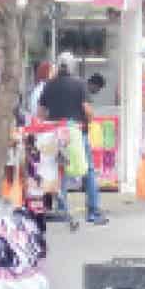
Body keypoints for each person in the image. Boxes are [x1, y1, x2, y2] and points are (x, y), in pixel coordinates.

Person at [37, 51, 108, 226]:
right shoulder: (79, 85)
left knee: (58, 171)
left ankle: (62, 209)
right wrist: (87, 121)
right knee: (88, 170)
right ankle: (93, 211)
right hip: (76, 133)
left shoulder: (49, 85)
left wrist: (52, 120)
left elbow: (40, 113)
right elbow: (88, 111)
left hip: (54, 134)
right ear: (72, 66)